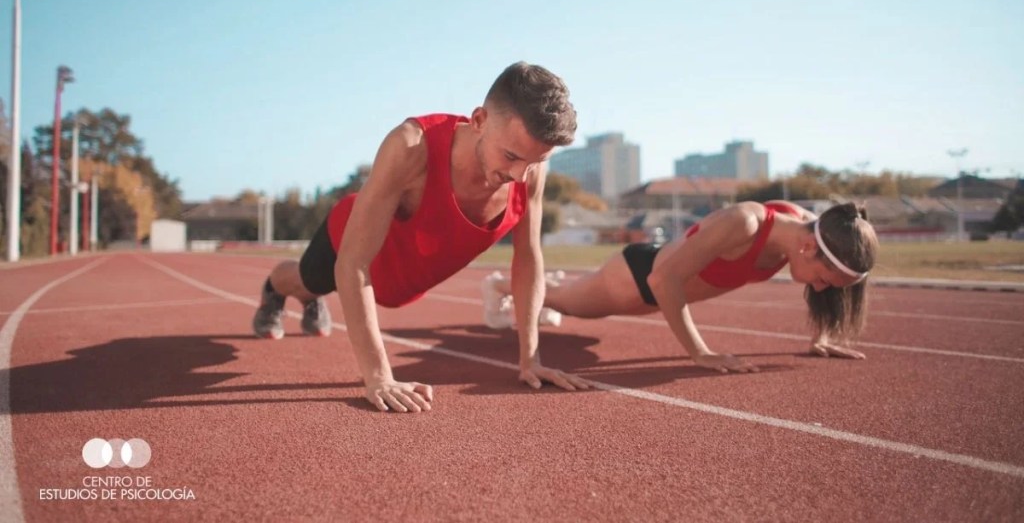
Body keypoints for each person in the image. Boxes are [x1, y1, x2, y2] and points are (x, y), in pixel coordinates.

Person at [251, 62, 590, 412]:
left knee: (361, 292)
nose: (521, 176)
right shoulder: (411, 146)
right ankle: (275, 291)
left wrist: (530, 359)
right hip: (354, 245)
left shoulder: (530, 167)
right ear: (478, 120)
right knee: (308, 282)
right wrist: (379, 377)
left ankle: (307, 298)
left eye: (537, 161)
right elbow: (352, 263)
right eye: (511, 156)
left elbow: (528, 257)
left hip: (407, 281)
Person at [481, 201, 879, 373]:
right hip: (639, 277)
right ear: (808, 247)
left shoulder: (809, 229)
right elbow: (662, 279)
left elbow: (828, 281)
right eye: (825, 280)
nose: (824, 289)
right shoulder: (746, 224)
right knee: (568, 306)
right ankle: (501, 286)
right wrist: (700, 353)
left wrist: (822, 336)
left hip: (663, 294)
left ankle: (541, 288)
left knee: (568, 304)